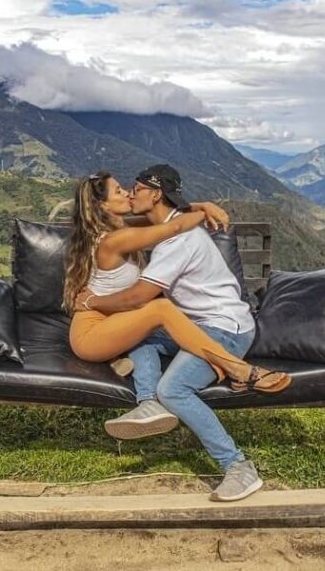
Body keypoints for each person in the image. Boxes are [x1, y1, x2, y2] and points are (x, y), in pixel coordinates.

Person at [73, 164, 289, 502]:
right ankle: (148, 403)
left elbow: (138, 297)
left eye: (137, 188)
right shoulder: (158, 230)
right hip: (198, 324)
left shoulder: (177, 241)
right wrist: (201, 207)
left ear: (156, 195)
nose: (131, 193)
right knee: (142, 334)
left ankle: (238, 467)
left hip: (224, 328)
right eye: (123, 190)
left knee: (172, 389)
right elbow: (168, 223)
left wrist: (92, 301)